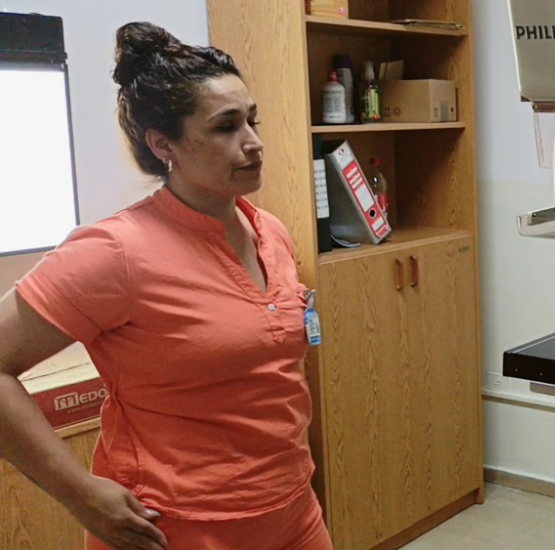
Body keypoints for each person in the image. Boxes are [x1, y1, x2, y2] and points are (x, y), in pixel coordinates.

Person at [0, 22, 333, 550]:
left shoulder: (269, 231)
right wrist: (81, 493)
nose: (254, 143)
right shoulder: (117, 253)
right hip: (176, 528)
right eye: (226, 127)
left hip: (293, 513)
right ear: (164, 145)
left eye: (252, 120)